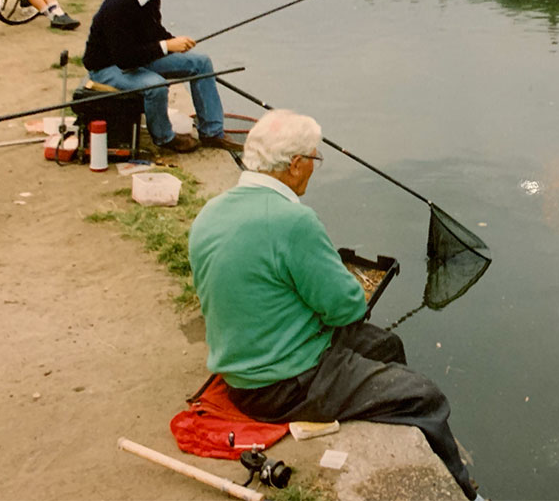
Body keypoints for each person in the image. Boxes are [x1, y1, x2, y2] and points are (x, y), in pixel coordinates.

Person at [188, 109, 485, 501]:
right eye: (314, 159)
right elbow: (347, 309)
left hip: (241, 367)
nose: (314, 168)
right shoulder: (293, 221)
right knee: (424, 396)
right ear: (295, 165)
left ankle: (392, 414)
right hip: (282, 384)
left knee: (385, 346)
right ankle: (467, 494)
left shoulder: (211, 212)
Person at [81, 0, 241, 153]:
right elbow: (124, 58)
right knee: (155, 86)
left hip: (136, 60)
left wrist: (176, 42)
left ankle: (212, 132)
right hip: (108, 69)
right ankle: (165, 138)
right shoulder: (118, 5)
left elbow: (153, 32)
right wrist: (167, 46)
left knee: (201, 63)